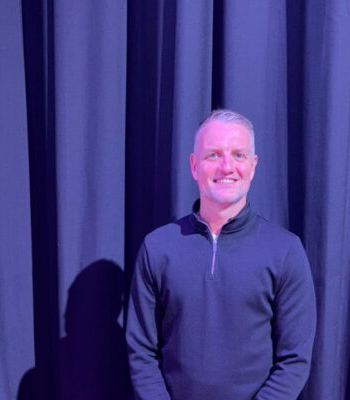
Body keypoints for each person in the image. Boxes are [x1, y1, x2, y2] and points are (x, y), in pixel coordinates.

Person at [126, 109, 316, 400]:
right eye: (213, 155)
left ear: (252, 166)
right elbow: (141, 352)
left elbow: (294, 360)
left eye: (238, 155)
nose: (227, 167)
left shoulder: (286, 251)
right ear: (194, 165)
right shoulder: (157, 247)